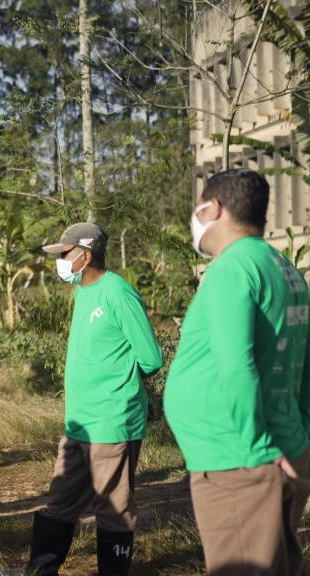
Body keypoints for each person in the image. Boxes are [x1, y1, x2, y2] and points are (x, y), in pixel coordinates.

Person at [165, 169, 310, 576]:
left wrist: (256, 448)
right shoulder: (284, 269)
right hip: (280, 448)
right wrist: (304, 438)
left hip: (238, 460)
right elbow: (305, 361)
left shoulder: (232, 270)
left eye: (198, 206)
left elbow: (237, 365)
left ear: (215, 207)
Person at [24, 222, 163, 575]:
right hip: (79, 423)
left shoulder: (117, 293)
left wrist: (119, 388)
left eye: (65, 254)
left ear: (85, 256)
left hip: (112, 420)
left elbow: (150, 357)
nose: (60, 261)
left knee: (112, 508)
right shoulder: (83, 291)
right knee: (60, 501)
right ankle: (41, 569)